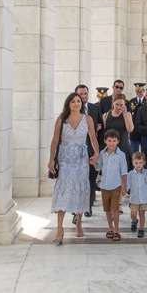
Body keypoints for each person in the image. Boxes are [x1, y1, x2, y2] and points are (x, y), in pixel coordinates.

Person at [48, 92, 100, 244]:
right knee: (63, 189)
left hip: (81, 159)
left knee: (80, 190)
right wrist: (51, 159)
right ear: (68, 104)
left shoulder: (88, 119)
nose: (77, 103)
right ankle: (59, 228)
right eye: (73, 101)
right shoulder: (61, 119)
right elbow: (55, 139)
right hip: (65, 158)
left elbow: (93, 137)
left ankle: (78, 223)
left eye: (78, 101)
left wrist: (96, 154)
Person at [75, 85, 102, 219]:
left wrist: (99, 152)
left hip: (91, 150)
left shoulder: (95, 108)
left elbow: (100, 128)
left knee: (91, 179)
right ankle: (75, 211)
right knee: (78, 180)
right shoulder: (70, 111)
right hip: (75, 152)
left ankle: (88, 206)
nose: (83, 96)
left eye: (85, 93)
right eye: (81, 94)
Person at [96, 129, 128, 241]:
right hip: (104, 185)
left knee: (115, 209)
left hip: (116, 185)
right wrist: (94, 162)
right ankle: (110, 228)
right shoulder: (102, 154)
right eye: (109, 140)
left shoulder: (121, 155)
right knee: (107, 209)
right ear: (105, 141)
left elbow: (124, 172)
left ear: (118, 141)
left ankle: (116, 230)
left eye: (114, 140)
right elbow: (98, 167)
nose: (112, 143)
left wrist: (124, 186)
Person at [126, 152, 147, 237]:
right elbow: (128, 184)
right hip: (134, 198)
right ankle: (134, 221)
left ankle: (141, 229)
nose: (138, 165)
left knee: (142, 214)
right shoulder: (130, 174)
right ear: (133, 163)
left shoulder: (146, 172)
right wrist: (124, 190)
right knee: (133, 214)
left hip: (144, 198)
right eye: (136, 163)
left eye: (140, 162)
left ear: (144, 162)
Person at [102, 93, 134, 170]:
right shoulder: (106, 115)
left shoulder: (128, 114)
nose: (119, 107)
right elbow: (104, 132)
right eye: (117, 104)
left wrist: (125, 113)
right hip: (111, 148)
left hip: (123, 147)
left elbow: (130, 129)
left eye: (121, 105)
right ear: (112, 102)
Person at [128, 82, 147, 153]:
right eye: (137, 91)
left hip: (144, 131)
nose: (138, 93)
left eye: (140, 91)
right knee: (134, 153)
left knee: (145, 153)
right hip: (134, 132)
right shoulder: (131, 102)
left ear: (143, 91)